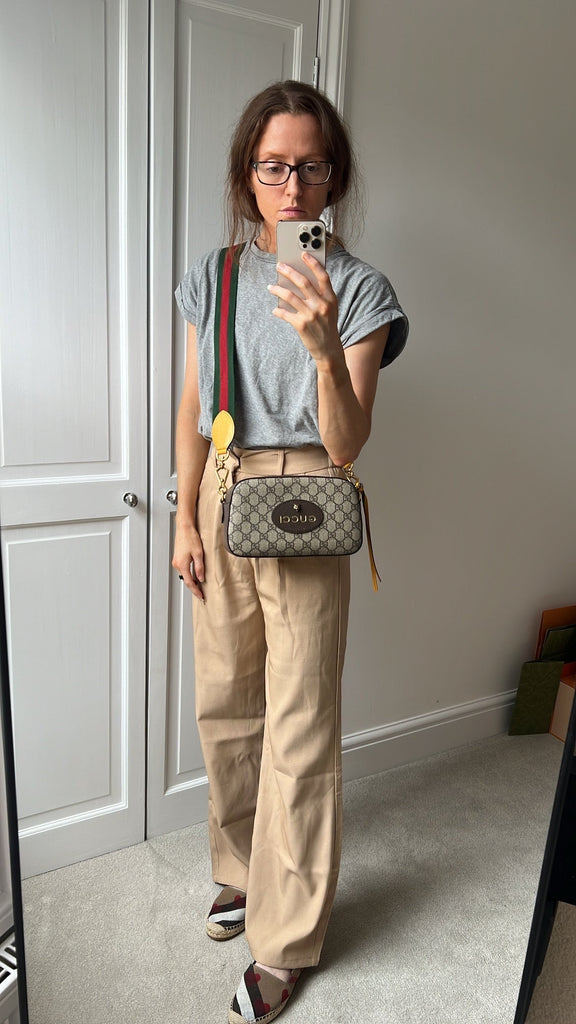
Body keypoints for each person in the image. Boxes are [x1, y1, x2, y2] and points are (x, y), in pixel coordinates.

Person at [172, 80, 408, 1024]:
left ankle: (287, 938)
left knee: (302, 723)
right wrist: (183, 519)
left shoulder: (362, 291)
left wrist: (320, 345)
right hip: (224, 482)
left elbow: (347, 443)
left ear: (334, 175)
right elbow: (192, 408)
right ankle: (240, 868)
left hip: (309, 495)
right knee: (225, 703)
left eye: (311, 167)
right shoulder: (216, 277)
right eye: (274, 167)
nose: (293, 187)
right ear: (247, 175)